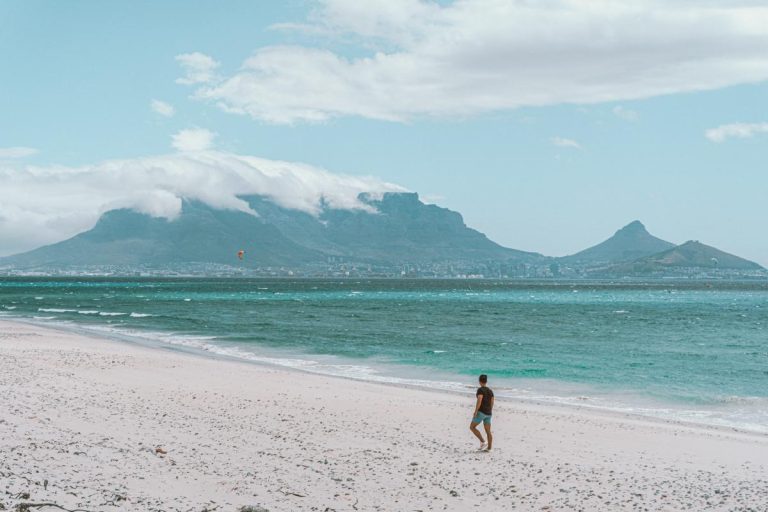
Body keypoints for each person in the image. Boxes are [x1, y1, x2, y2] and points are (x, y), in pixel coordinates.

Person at [469, 374, 494, 451]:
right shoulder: (490, 391)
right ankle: (489, 448)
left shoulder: (480, 390)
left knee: (472, 427)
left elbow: (479, 399)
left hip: (481, 412)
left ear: (479, 381)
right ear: (486, 381)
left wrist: (476, 411)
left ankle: (483, 442)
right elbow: (492, 402)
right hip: (489, 413)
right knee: (488, 431)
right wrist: (490, 411)